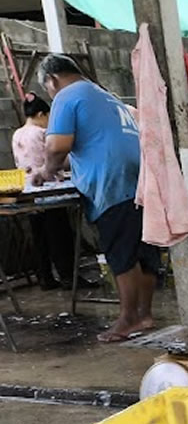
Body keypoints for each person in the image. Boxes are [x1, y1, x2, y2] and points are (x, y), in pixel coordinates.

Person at [31, 53, 160, 343]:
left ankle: (128, 319)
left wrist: (46, 171)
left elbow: (57, 147)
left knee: (121, 254)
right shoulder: (105, 95)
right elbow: (90, 145)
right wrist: (55, 167)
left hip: (112, 183)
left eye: (47, 88)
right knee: (143, 252)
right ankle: (145, 315)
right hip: (139, 179)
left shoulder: (67, 96)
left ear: (52, 79)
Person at [11, 92, 76, 290]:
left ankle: (45, 277)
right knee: (60, 235)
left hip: (28, 192)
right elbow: (57, 159)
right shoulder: (42, 133)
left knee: (39, 237)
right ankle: (68, 277)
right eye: (48, 116)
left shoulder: (17, 134)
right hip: (50, 190)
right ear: (41, 114)